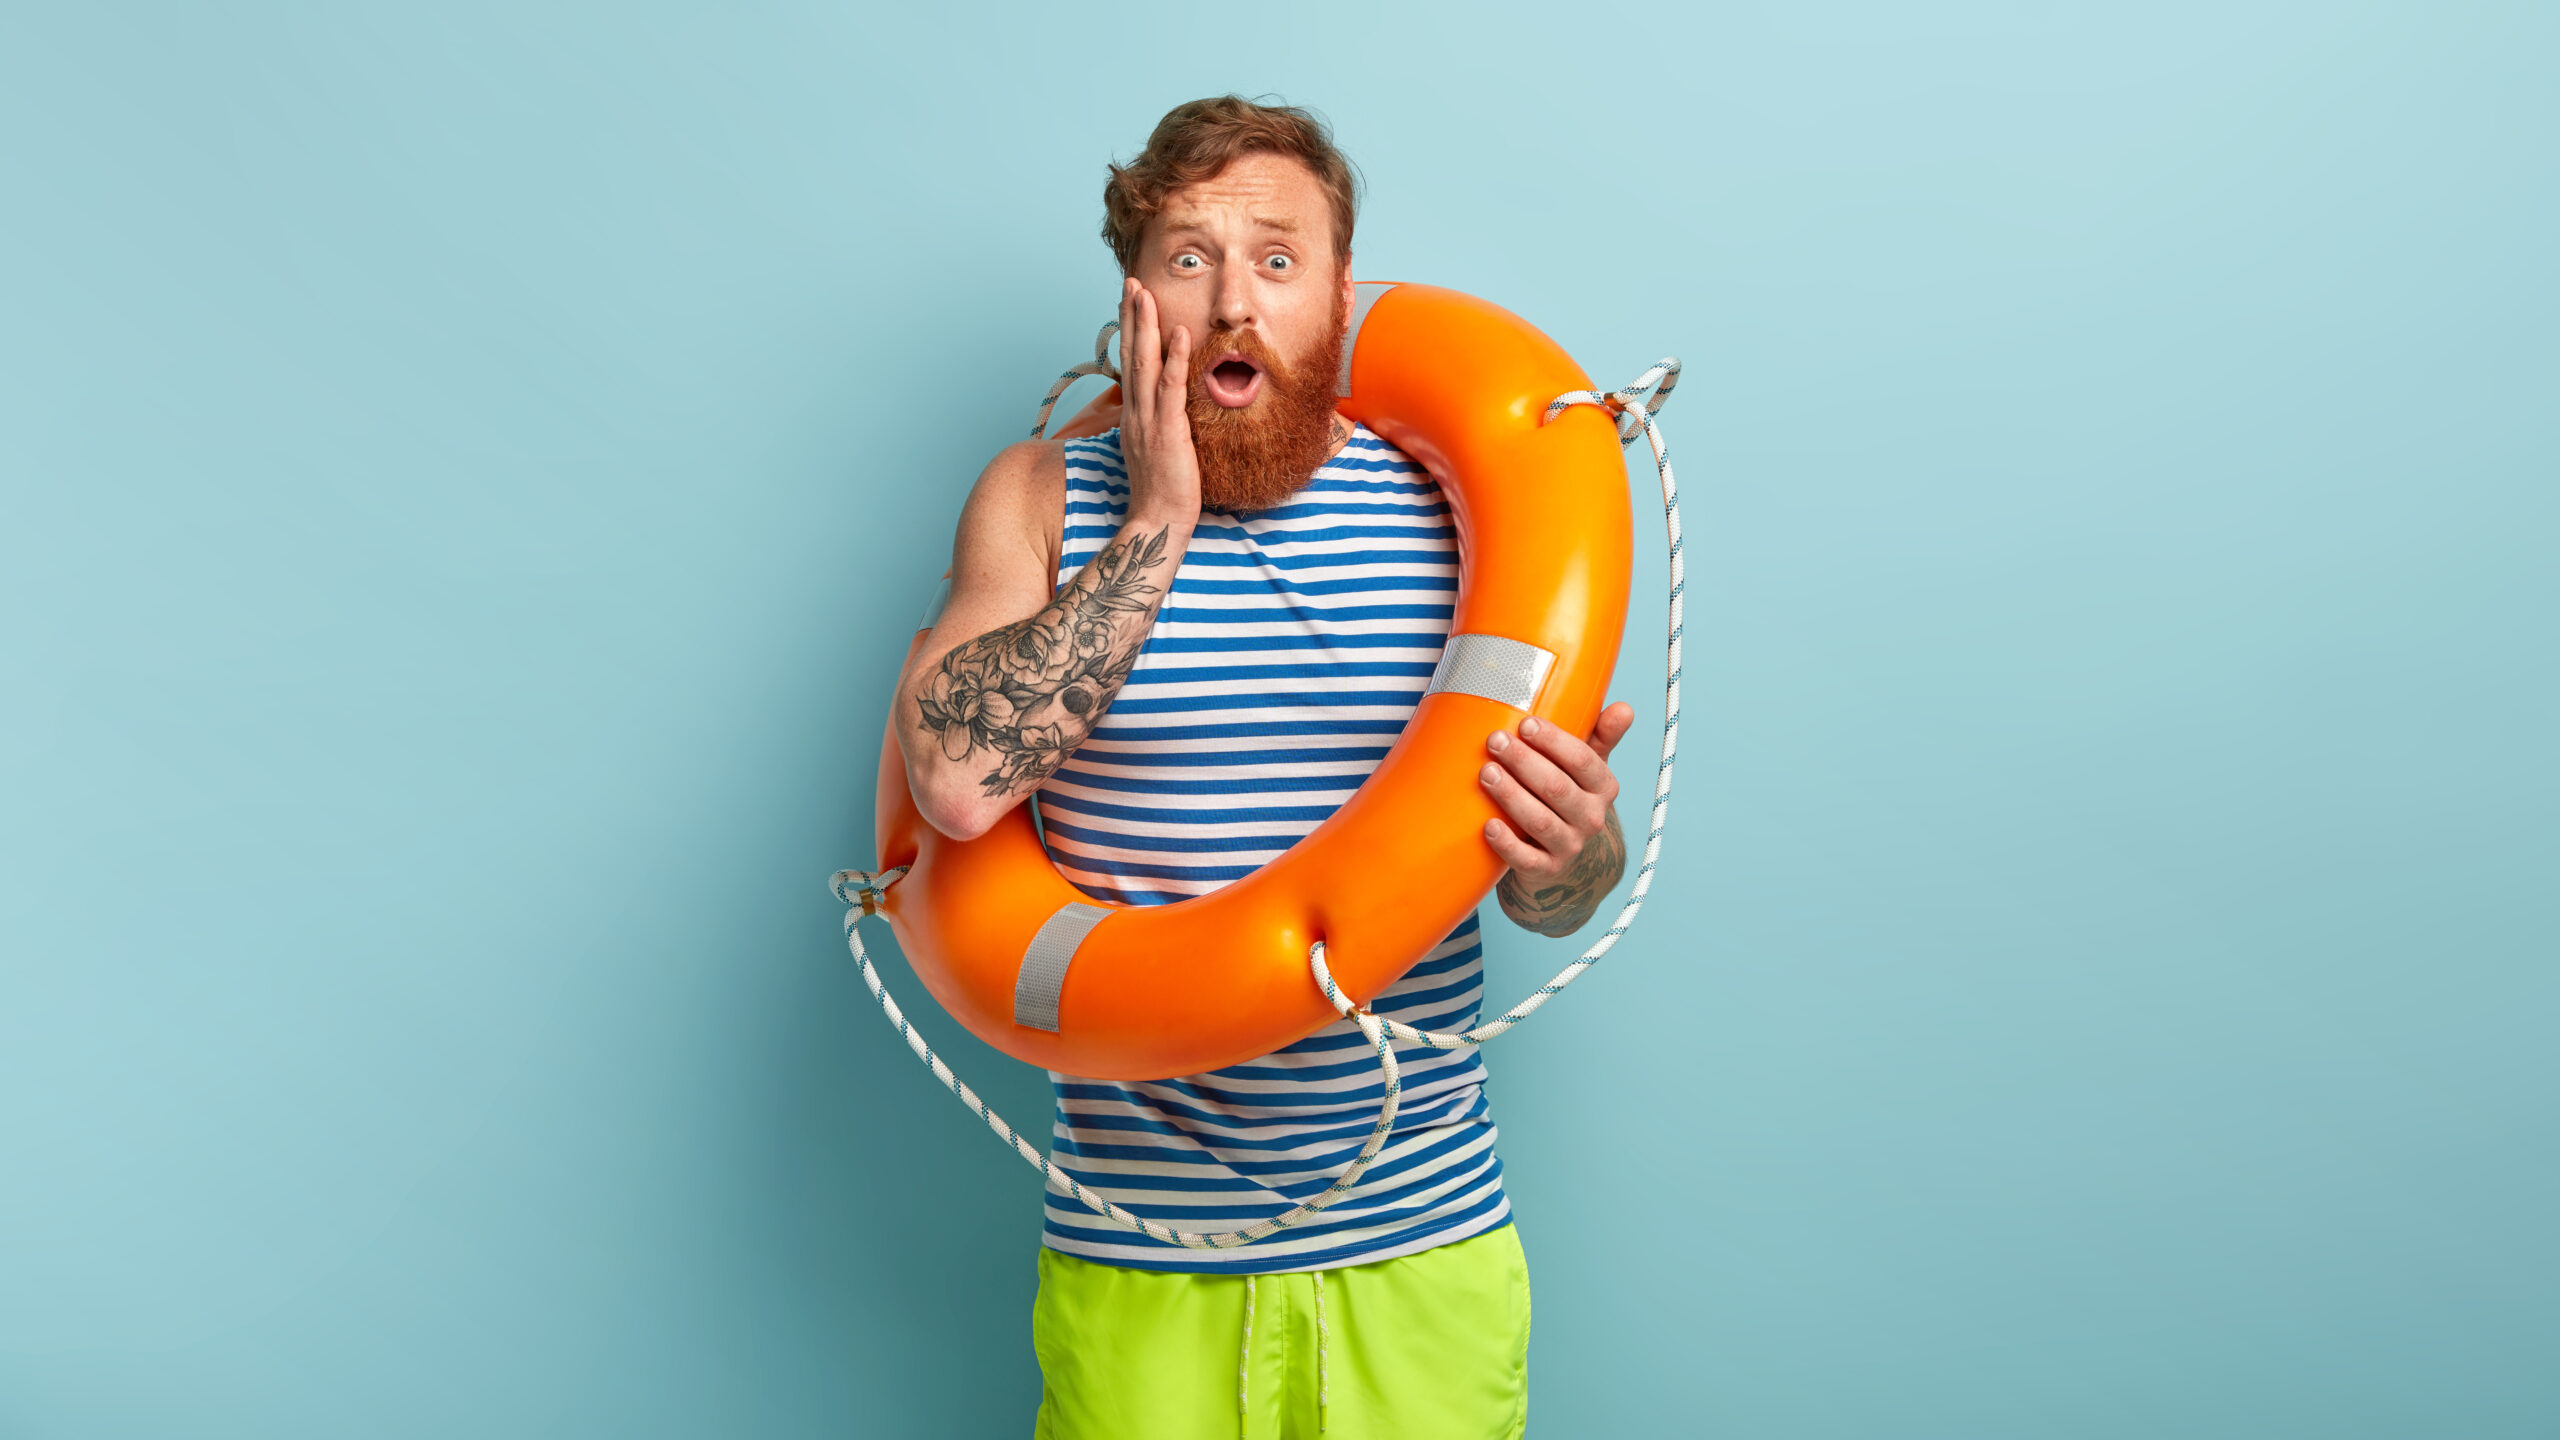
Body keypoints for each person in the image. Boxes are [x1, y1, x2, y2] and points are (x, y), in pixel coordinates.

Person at [896, 96, 1634, 1440]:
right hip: (1141, 1266)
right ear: (1137, 301)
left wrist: (1571, 861)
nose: (1237, 303)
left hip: (1424, 1244)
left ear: (1345, 292)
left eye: (1279, 261)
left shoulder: (1451, 511)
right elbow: (952, 783)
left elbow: (1549, 898)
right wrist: (1160, 517)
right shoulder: (1041, 499)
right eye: (1191, 260)